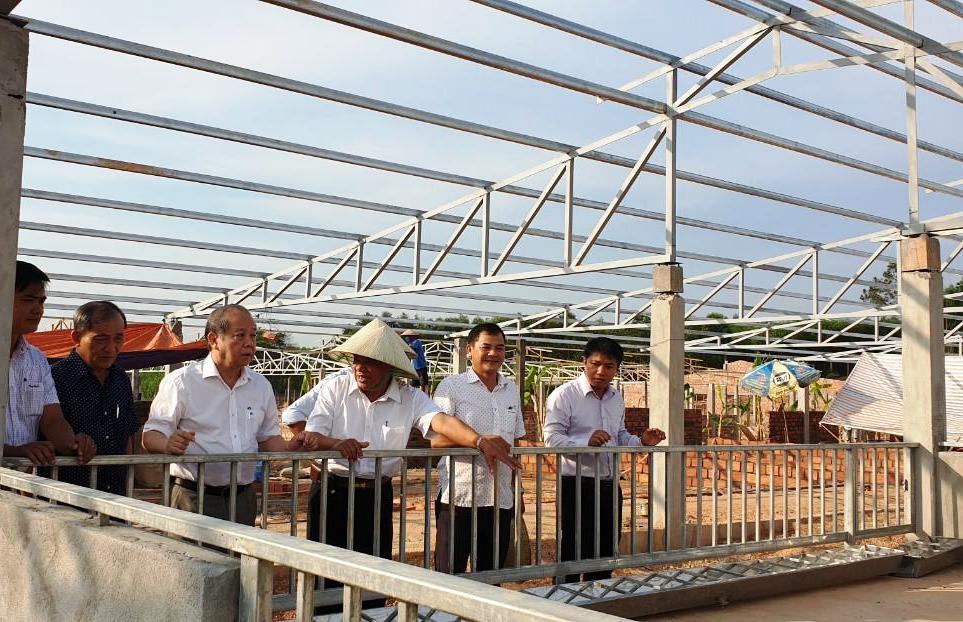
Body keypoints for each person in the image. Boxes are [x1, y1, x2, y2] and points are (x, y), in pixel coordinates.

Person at [300, 319, 520, 590]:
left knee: (374, 575)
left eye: (370, 362)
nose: (360, 368)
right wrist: (335, 443)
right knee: (325, 573)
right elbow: (313, 434)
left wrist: (478, 441)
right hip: (332, 491)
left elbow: (441, 422)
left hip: (377, 494)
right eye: (357, 360)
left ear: (389, 366)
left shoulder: (410, 397)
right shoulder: (335, 388)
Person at [142, 304, 306, 525]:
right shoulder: (181, 382)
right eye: (240, 335)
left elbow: (268, 439)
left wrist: (290, 448)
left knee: (242, 549)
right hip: (193, 498)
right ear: (213, 339)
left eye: (252, 335)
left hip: (243, 499)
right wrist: (167, 444)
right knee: (191, 549)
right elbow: (151, 435)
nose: (249, 343)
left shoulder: (260, 386)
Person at [543, 337, 665, 584]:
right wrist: (585, 442)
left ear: (617, 368)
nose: (601, 371)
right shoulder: (564, 395)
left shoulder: (615, 398)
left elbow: (619, 436)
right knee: (575, 545)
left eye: (608, 366)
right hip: (576, 484)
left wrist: (642, 442)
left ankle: (598, 595)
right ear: (584, 362)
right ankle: (564, 597)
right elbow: (551, 438)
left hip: (609, 484)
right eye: (595, 364)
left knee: (607, 547)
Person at [430, 322, 525, 574]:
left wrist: (518, 492)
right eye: (486, 347)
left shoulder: (511, 390)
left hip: (500, 499)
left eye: (500, 348)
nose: (493, 353)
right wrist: (482, 441)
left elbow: (515, 443)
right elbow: (435, 440)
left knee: (491, 576)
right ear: (469, 350)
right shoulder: (451, 387)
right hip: (459, 498)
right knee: (450, 576)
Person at [4, 261, 96, 466]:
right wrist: (13, 452)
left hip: (19, 480)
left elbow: (52, 419)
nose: (38, 309)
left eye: (41, 301)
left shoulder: (36, 360)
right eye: (29, 300)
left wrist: (74, 444)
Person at [50, 301, 138, 495]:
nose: (111, 348)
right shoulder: (54, 378)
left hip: (115, 494)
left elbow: (128, 434)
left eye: (118, 339)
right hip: (68, 495)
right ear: (77, 338)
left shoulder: (120, 378)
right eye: (101, 339)